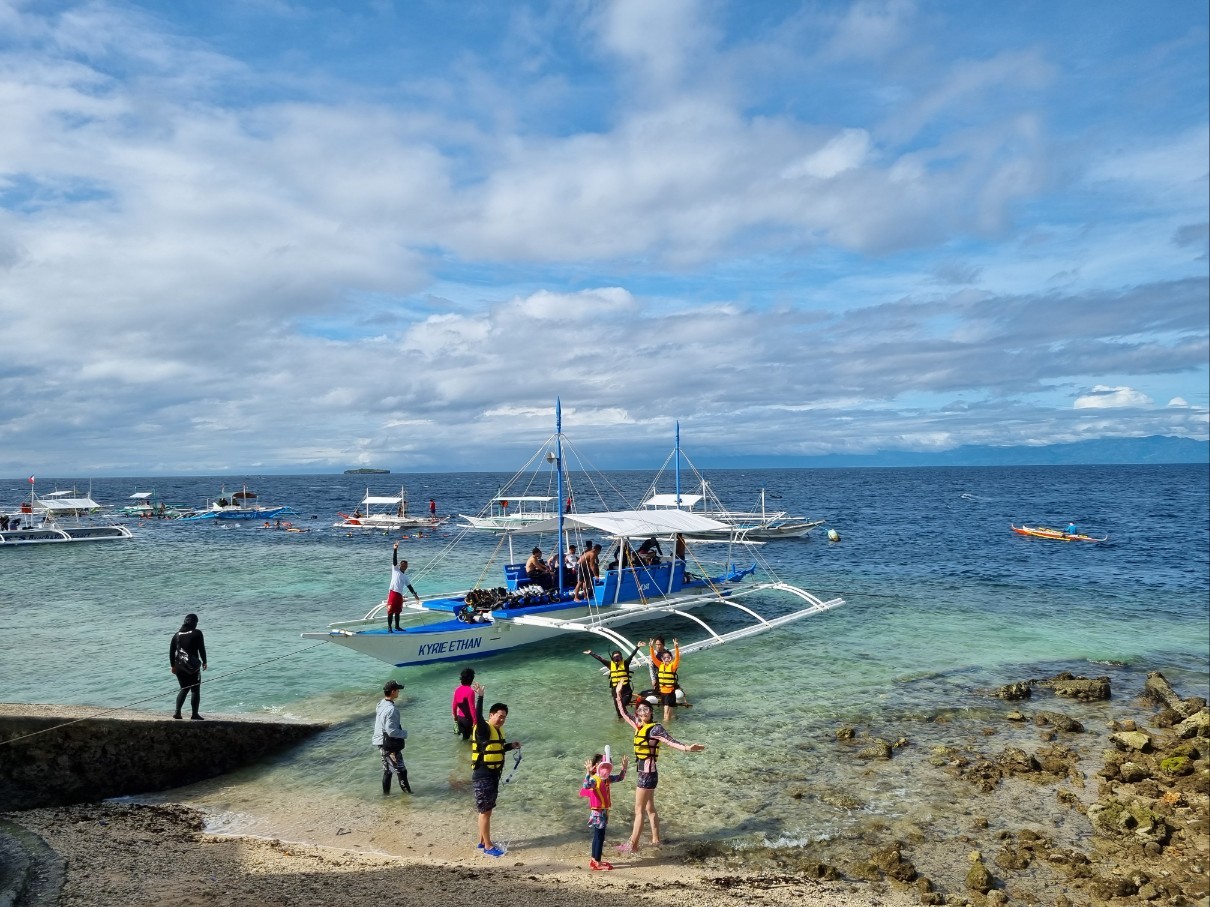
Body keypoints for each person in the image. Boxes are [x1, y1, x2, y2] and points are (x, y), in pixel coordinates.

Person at [614, 681, 704, 854]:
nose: (643, 712)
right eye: (640, 710)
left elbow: (670, 741)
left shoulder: (655, 729)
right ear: (637, 713)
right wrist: (618, 695)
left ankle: (632, 845)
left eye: (646, 709)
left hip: (647, 774)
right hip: (647, 772)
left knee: (638, 810)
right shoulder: (638, 725)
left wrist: (686, 748)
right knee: (649, 808)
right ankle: (656, 840)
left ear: (651, 711)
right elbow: (624, 713)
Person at [470, 681, 521, 857]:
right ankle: (488, 846)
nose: (502, 719)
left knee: (486, 810)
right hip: (483, 775)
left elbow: (493, 748)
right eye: (499, 716)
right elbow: (477, 715)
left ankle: (482, 841)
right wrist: (480, 697)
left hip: (492, 775)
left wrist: (510, 746)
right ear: (491, 715)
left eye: (504, 717)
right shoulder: (483, 728)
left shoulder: (498, 731)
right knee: (485, 811)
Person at [578, 746, 628, 870]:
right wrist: (588, 773)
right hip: (597, 812)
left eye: (608, 765)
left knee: (598, 836)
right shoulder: (595, 779)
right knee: (599, 837)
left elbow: (620, 778)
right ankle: (597, 863)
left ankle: (594, 860)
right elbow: (586, 785)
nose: (606, 768)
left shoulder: (606, 779)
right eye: (603, 765)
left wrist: (624, 768)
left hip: (603, 812)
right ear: (596, 767)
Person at [372, 679, 411, 794]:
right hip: (389, 744)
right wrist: (404, 734)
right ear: (393, 692)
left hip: (380, 741)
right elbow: (392, 731)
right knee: (401, 770)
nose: (399, 692)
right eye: (398, 690)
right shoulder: (392, 709)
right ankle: (409, 796)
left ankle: (386, 796)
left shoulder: (380, 704)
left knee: (388, 771)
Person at [585, 644, 641, 718]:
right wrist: (591, 653)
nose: (617, 658)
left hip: (626, 691)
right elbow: (600, 659)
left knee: (622, 706)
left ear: (621, 657)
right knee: (618, 712)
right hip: (615, 691)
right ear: (612, 658)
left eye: (618, 656)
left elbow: (632, 655)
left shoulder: (626, 663)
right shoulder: (610, 665)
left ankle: (630, 718)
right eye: (615, 657)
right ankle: (621, 725)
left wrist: (638, 647)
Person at [169, 613, 208, 720]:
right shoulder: (197, 633)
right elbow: (201, 649)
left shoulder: (176, 635)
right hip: (192, 666)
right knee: (195, 689)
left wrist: (173, 666)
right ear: (195, 622)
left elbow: (171, 652)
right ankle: (194, 714)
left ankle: (177, 712)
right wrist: (205, 661)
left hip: (179, 666)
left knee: (184, 688)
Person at [386, 543, 421, 631]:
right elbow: (394, 560)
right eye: (402, 565)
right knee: (390, 611)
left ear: (407, 567)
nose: (404, 567)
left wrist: (415, 595)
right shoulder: (395, 570)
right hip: (393, 592)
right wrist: (395, 549)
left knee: (398, 611)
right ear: (400, 565)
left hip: (399, 595)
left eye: (405, 566)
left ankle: (397, 627)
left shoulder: (405, 577)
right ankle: (389, 627)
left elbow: (410, 587)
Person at [452, 668, 476, 741]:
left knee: (465, 739)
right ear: (471, 679)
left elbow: (454, 705)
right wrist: (475, 721)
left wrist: (455, 717)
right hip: (468, 720)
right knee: (475, 739)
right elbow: (472, 708)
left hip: (460, 719)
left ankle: (461, 752)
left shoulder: (457, 689)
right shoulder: (470, 691)